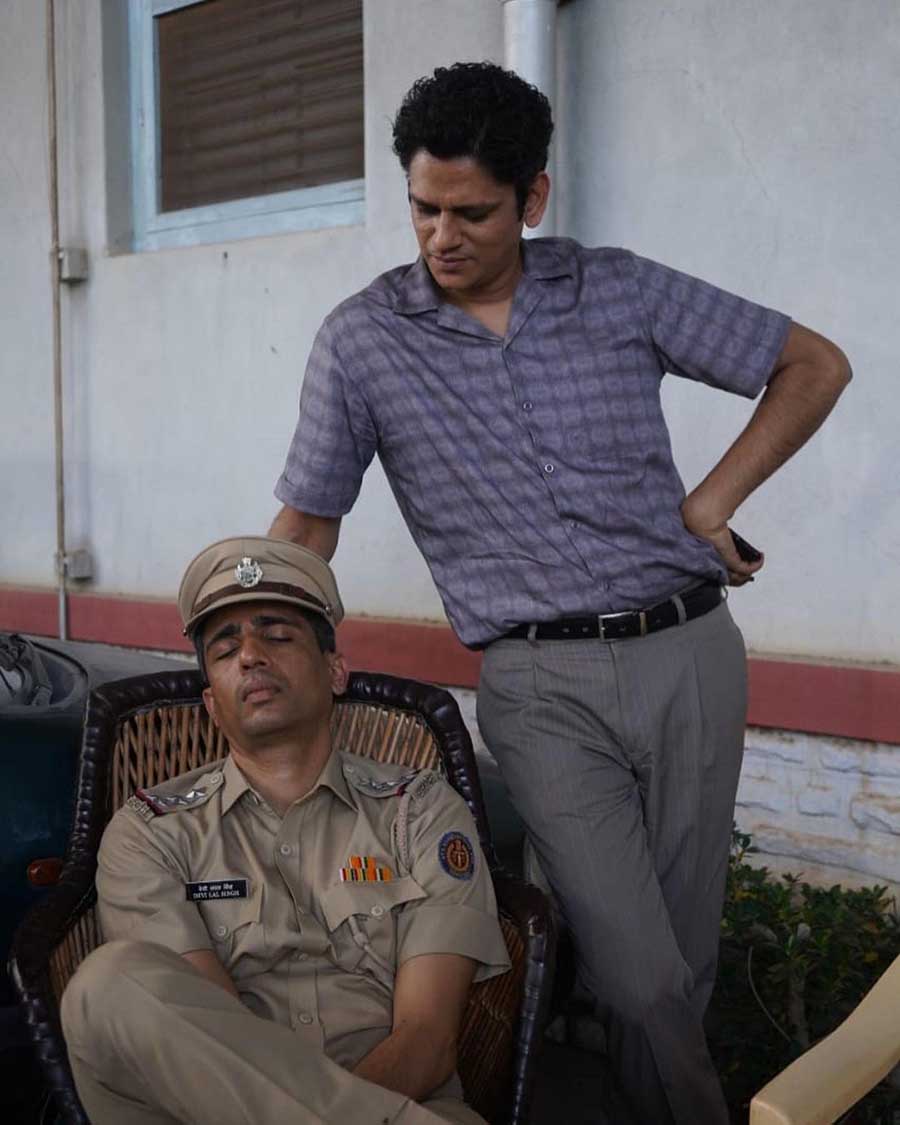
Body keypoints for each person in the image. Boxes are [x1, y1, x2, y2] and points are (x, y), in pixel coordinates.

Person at [269, 62, 851, 1123]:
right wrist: (253, 655)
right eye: (423, 208)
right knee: (642, 974)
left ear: (532, 199)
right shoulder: (364, 341)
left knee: (687, 957)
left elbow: (813, 363)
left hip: (690, 653)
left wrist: (710, 501)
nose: (442, 236)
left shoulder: (618, 287)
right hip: (540, 682)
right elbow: (307, 523)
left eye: (473, 213)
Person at [60, 535, 510, 1125]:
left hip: (403, 1098)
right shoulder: (151, 833)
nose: (249, 656)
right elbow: (209, 1051)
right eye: (225, 651)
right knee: (108, 985)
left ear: (336, 671)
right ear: (212, 706)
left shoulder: (419, 811)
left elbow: (428, 1039)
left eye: (276, 635)